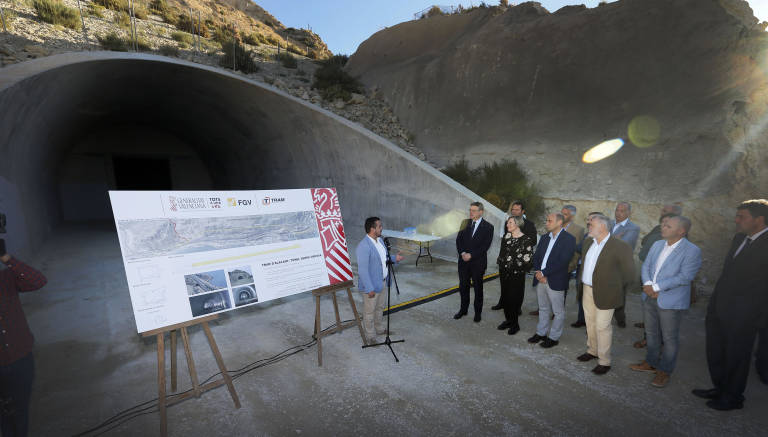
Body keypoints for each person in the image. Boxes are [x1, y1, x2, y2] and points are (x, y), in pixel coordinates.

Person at [693, 199, 768, 411]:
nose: (736, 221)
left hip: (746, 314)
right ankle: (720, 388)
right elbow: (728, 275)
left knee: (737, 356)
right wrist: (714, 304)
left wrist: (759, 316)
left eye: (741, 217)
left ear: (759, 219)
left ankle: (733, 397)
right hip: (720, 308)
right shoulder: (739, 239)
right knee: (716, 351)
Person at [629, 216, 702, 388]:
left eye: (668, 226)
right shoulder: (657, 244)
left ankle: (664, 370)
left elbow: (685, 277)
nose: (662, 227)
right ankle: (651, 362)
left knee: (669, 338)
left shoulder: (692, 250)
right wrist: (648, 285)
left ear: (681, 231)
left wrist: (657, 287)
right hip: (649, 296)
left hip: (670, 301)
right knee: (651, 333)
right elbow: (646, 266)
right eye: (663, 224)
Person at [0, 237, 48, 437]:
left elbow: (38, 281)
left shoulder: (6, 277)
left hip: (20, 357)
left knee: (20, 412)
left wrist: (7, 258)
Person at [576, 214, 635, 375]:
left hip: (607, 293)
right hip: (587, 289)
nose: (588, 226)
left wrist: (615, 288)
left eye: (591, 224)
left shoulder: (620, 246)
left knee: (603, 327)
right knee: (590, 323)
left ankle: (604, 361)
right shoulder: (588, 242)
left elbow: (629, 273)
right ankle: (592, 351)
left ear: (602, 227)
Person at [526, 213, 575, 348]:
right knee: (543, 308)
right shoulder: (544, 237)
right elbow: (536, 256)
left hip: (555, 279)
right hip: (540, 277)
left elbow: (563, 261)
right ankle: (541, 333)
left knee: (558, 312)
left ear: (559, 223)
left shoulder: (569, 239)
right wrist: (537, 271)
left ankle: (554, 337)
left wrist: (544, 273)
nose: (546, 223)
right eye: (546, 220)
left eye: (549, 221)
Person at [356, 217, 403, 343]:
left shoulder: (380, 241)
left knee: (379, 308)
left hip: (383, 282)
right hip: (371, 285)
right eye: (379, 226)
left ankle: (379, 328)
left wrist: (394, 258)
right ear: (372, 229)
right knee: (369, 311)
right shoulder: (363, 246)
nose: (381, 228)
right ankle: (370, 335)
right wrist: (369, 288)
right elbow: (363, 270)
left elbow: (384, 259)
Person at [493, 200, 537, 311]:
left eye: (517, 209)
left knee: (517, 287)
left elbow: (533, 241)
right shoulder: (509, 221)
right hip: (505, 261)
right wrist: (501, 259)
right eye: (513, 209)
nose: (514, 211)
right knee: (504, 283)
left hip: (519, 263)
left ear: (523, 211)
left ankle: (517, 308)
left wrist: (519, 241)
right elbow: (505, 240)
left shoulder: (529, 224)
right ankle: (502, 303)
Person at [455, 202, 494, 322]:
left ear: (481, 212)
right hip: (463, 262)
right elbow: (458, 240)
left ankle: (478, 313)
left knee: (478, 288)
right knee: (463, 287)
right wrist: (462, 253)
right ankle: (463, 309)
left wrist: (471, 255)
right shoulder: (464, 223)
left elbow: (485, 246)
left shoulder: (488, 227)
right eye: (470, 210)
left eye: (474, 210)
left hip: (478, 263)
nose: (471, 212)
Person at [496, 216, 534, 335]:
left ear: (517, 224)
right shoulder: (506, 237)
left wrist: (514, 267)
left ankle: (515, 324)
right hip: (504, 273)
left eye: (510, 223)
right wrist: (502, 266)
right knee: (505, 298)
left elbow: (527, 261)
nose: (507, 225)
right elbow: (502, 254)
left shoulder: (526, 240)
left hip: (517, 275)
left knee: (514, 299)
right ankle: (508, 320)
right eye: (507, 223)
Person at [571, 211, 603, 328]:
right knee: (581, 295)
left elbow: (582, 248)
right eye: (588, 220)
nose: (588, 222)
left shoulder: (602, 237)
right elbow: (579, 248)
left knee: (594, 300)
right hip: (582, 269)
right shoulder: (587, 235)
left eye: (591, 220)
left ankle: (592, 325)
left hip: (594, 273)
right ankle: (581, 320)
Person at [611, 201, 640, 328]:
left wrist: (606, 238)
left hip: (620, 267)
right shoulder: (609, 223)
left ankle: (620, 319)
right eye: (617, 210)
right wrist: (614, 238)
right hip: (605, 264)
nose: (618, 213)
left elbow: (624, 245)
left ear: (629, 213)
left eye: (622, 211)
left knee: (619, 294)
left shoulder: (633, 228)